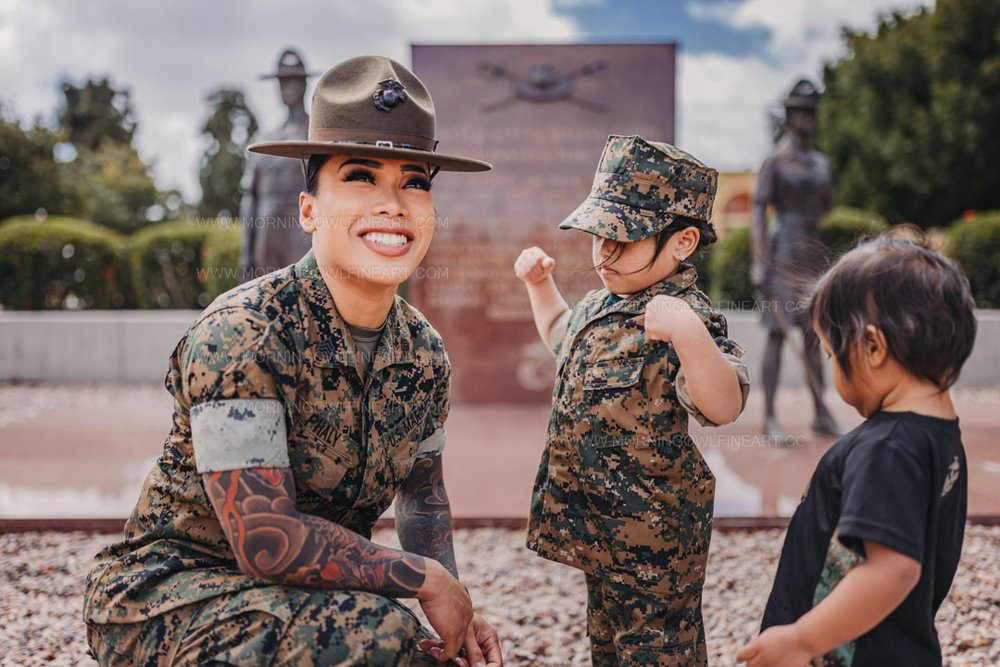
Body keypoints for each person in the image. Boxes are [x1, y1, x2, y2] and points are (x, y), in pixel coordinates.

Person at [83, 55, 503, 667]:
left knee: (416, 649)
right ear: (307, 209)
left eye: (415, 181)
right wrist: (422, 583)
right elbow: (264, 539)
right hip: (166, 594)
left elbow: (423, 499)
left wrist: (455, 607)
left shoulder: (423, 353)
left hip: (302, 592)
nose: (394, 203)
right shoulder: (247, 332)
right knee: (377, 636)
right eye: (362, 176)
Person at [514, 135, 751, 665]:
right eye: (599, 236)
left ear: (682, 242)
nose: (603, 254)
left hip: (657, 547)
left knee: (658, 652)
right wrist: (539, 284)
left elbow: (724, 405)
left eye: (623, 239)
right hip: (600, 533)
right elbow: (560, 335)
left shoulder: (686, 314)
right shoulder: (601, 303)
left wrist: (689, 335)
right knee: (610, 647)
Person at [736, 234, 977, 667]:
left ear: (872, 347)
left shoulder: (888, 448)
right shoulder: (938, 435)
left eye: (830, 355)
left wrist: (801, 640)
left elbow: (893, 569)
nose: (832, 371)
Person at [750, 79, 841, 442]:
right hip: (783, 250)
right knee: (777, 334)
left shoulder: (821, 162)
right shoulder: (775, 160)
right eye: (801, 112)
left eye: (812, 112)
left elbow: (828, 205)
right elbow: (758, 211)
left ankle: (821, 412)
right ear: (789, 116)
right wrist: (759, 261)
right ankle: (769, 418)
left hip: (812, 250)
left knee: (813, 335)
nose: (808, 119)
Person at [238, 48, 315, 281]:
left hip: (303, 232)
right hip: (267, 231)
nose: (286, 87)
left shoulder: (317, 137)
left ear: (304, 84)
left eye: (291, 81)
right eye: (281, 82)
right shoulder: (263, 140)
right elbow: (250, 198)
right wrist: (246, 251)